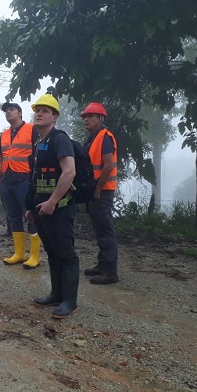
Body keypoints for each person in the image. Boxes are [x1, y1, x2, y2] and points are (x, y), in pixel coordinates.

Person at [26, 94, 80, 319]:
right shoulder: (39, 142)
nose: (39, 113)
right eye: (37, 110)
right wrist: (31, 207)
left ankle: (70, 300)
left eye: (45, 111)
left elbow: (69, 172)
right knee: (52, 251)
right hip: (42, 207)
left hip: (60, 206)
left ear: (55, 117)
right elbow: (35, 177)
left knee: (66, 253)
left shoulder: (60, 139)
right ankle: (56, 294)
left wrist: (53, 201)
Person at [0, 103, 41, 269]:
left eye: (11, 110)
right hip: (7, 181)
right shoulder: (3, 135)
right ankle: (19, 253)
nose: (8, 112)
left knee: (30, 215)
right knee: (13, 217)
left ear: (20, 113)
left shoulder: (32, 129)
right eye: (6, 111)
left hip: (25, 180)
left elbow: (38, 154)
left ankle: (34, 255)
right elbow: (0, 160)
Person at [81, 102, 119, 285]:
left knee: (105, 230)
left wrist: (97, 189)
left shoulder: (104, 137)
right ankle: (102, 265)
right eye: (85, 117)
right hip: (94, 191)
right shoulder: (93, 137)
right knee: (99, 228)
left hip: (102, 191)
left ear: (100, 119)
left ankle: (110, 272)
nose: (86, 119)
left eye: (90, 116)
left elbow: (108, 165)